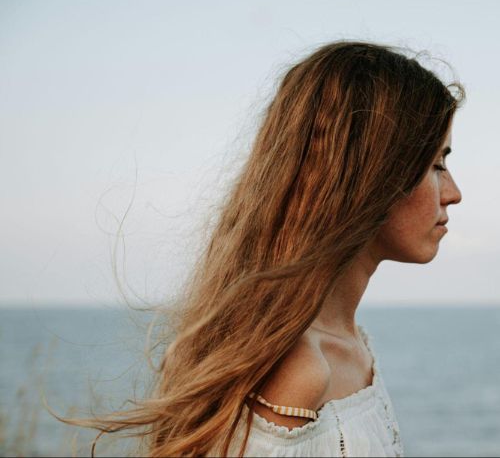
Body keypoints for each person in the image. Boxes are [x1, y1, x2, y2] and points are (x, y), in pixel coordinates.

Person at [60, 40, 464, 457]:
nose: (453, 193)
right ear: (372, 176)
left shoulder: (351, 344)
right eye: (436, 164)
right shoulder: (300, 368)